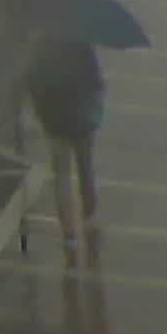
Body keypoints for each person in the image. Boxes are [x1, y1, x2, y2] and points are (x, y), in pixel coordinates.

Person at [22, 33, 105, 241]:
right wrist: (95, 107)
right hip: (83, 119)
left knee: (62, 175)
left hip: (55, 121)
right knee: (86, 168)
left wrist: (41, 112)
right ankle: (90, 214)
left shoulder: (43, 48)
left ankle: (68, 230)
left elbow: (32, 82)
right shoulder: (82, 45)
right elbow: (96, 82)